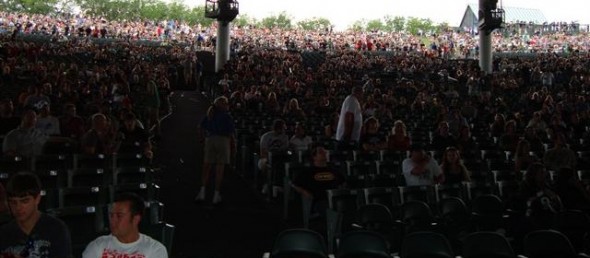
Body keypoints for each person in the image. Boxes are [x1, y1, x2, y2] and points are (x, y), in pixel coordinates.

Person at [0, 172, 72, 257]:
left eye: (24, 201)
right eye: (13, 202)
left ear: (37, 199)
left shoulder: (56, 228)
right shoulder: (3, 234)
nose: (18, 207)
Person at [82, 192, 168, 258]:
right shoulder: (98, 245)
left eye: (119, 216)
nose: (113, 220)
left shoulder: (155, 249)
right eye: (111, 215)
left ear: (135, 219)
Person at [196, 96, 235, 204]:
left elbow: (200, 127)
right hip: (223, 141)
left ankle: (202, 191)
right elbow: (231, 134)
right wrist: (233, 146)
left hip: (210, 140)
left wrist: (202, 139)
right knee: (219, 168)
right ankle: (216, 195)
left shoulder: (210, 114)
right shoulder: (227, 116)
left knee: (206, 167)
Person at [291, 146, 345, 217]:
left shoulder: (333, 170)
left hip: (335, 199)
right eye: (320, 152)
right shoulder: (308, 171)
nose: (324, 153)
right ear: (314, 157)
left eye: (324, 152)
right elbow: (295, 184)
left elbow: (343, 182)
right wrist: (304, 192)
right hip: (319, 201)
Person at [258, 119, 290, 195]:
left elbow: (285, 149)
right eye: (282, 128)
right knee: (267, 164)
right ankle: (266, 184)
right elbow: (263, 152)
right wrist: (270, 157)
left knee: (282, 164)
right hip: (266, 158)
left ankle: (278, 185)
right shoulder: (266, 136)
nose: (284, 130)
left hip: (280, 158)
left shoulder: (284, 137)